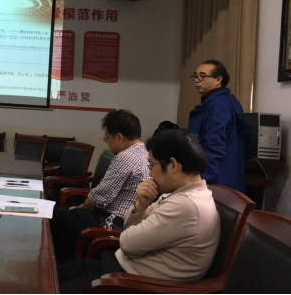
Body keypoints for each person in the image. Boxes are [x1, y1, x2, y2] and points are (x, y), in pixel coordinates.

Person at [59, 129, 221, 294]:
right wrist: (141, 205)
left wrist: (144, 220)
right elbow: (130, 231)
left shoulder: (186, 205)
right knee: (57, 274)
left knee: (55, 286)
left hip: (135, 282)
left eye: (152, 165)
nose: (149, 173)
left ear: (172, 165)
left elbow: (128, 243)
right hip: (124, 266)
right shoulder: (183, 193)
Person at [51, 110, 149, 264]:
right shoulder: (145, 154)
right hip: (125, 222)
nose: (107, 143)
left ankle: (54, 267)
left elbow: (99, 199)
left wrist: (79, 209)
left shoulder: (126, 157)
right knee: (62, 218)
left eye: (107, 138)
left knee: (51, 217)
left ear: (119, 137)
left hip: (110, 222)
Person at [188, 60, 248, 192]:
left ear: (218, 79)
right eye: (196, 76)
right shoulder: (223, 101)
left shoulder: (218, 105)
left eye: (202, 76)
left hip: (215, 179)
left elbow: (214, 146)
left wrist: (202, 181)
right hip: (224, 176)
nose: (197, 80)